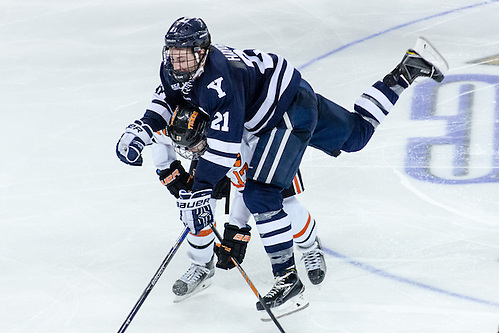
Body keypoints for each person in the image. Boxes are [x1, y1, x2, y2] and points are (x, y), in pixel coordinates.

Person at [116, 17, 447, 316]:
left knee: (263, 194)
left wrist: (207, 198)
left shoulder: (220, 83)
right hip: (291, 93)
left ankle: (288, 282)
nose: (176, 60)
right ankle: (407, 71)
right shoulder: (178, 70)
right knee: (356, 136)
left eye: (184, 53)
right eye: (172, 52)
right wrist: (141, 129)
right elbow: (166, 101)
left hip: (285, 115)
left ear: (202, 51)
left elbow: (227, 152)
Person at [149, 103, 326, 306]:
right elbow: (157, 138)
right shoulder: (185, 126)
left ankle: (310, 245)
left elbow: (246, 192)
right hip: (213, 148)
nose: (189, 151)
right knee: (197, 207)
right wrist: (167, 171)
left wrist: (236, 228)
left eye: (193, 146)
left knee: (283, 205)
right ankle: (201, 264)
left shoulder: (235, 144)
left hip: (265, 143)